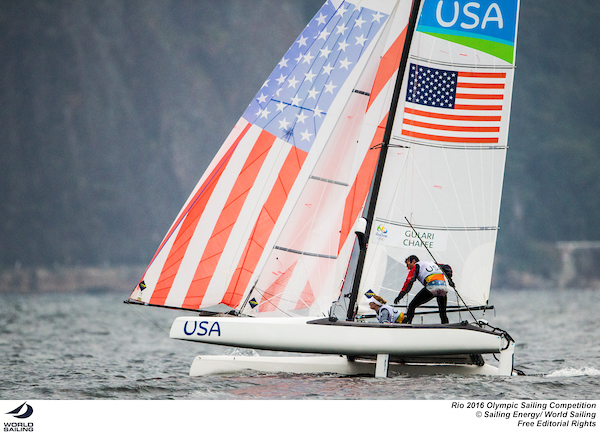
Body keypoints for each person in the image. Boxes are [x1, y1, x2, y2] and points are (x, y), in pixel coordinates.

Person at [394, 255, 451, 324]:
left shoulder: (416, 266)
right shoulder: (432, 263)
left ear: (414, 261)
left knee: (412, 305)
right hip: (443, 287)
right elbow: (447, 267)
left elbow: (409, 281)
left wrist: (400, 295)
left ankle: (408, 322)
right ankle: (445, 324)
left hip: (432, 286)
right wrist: (450, 280)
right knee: (442, 311)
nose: (408, 268)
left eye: (408, 264)